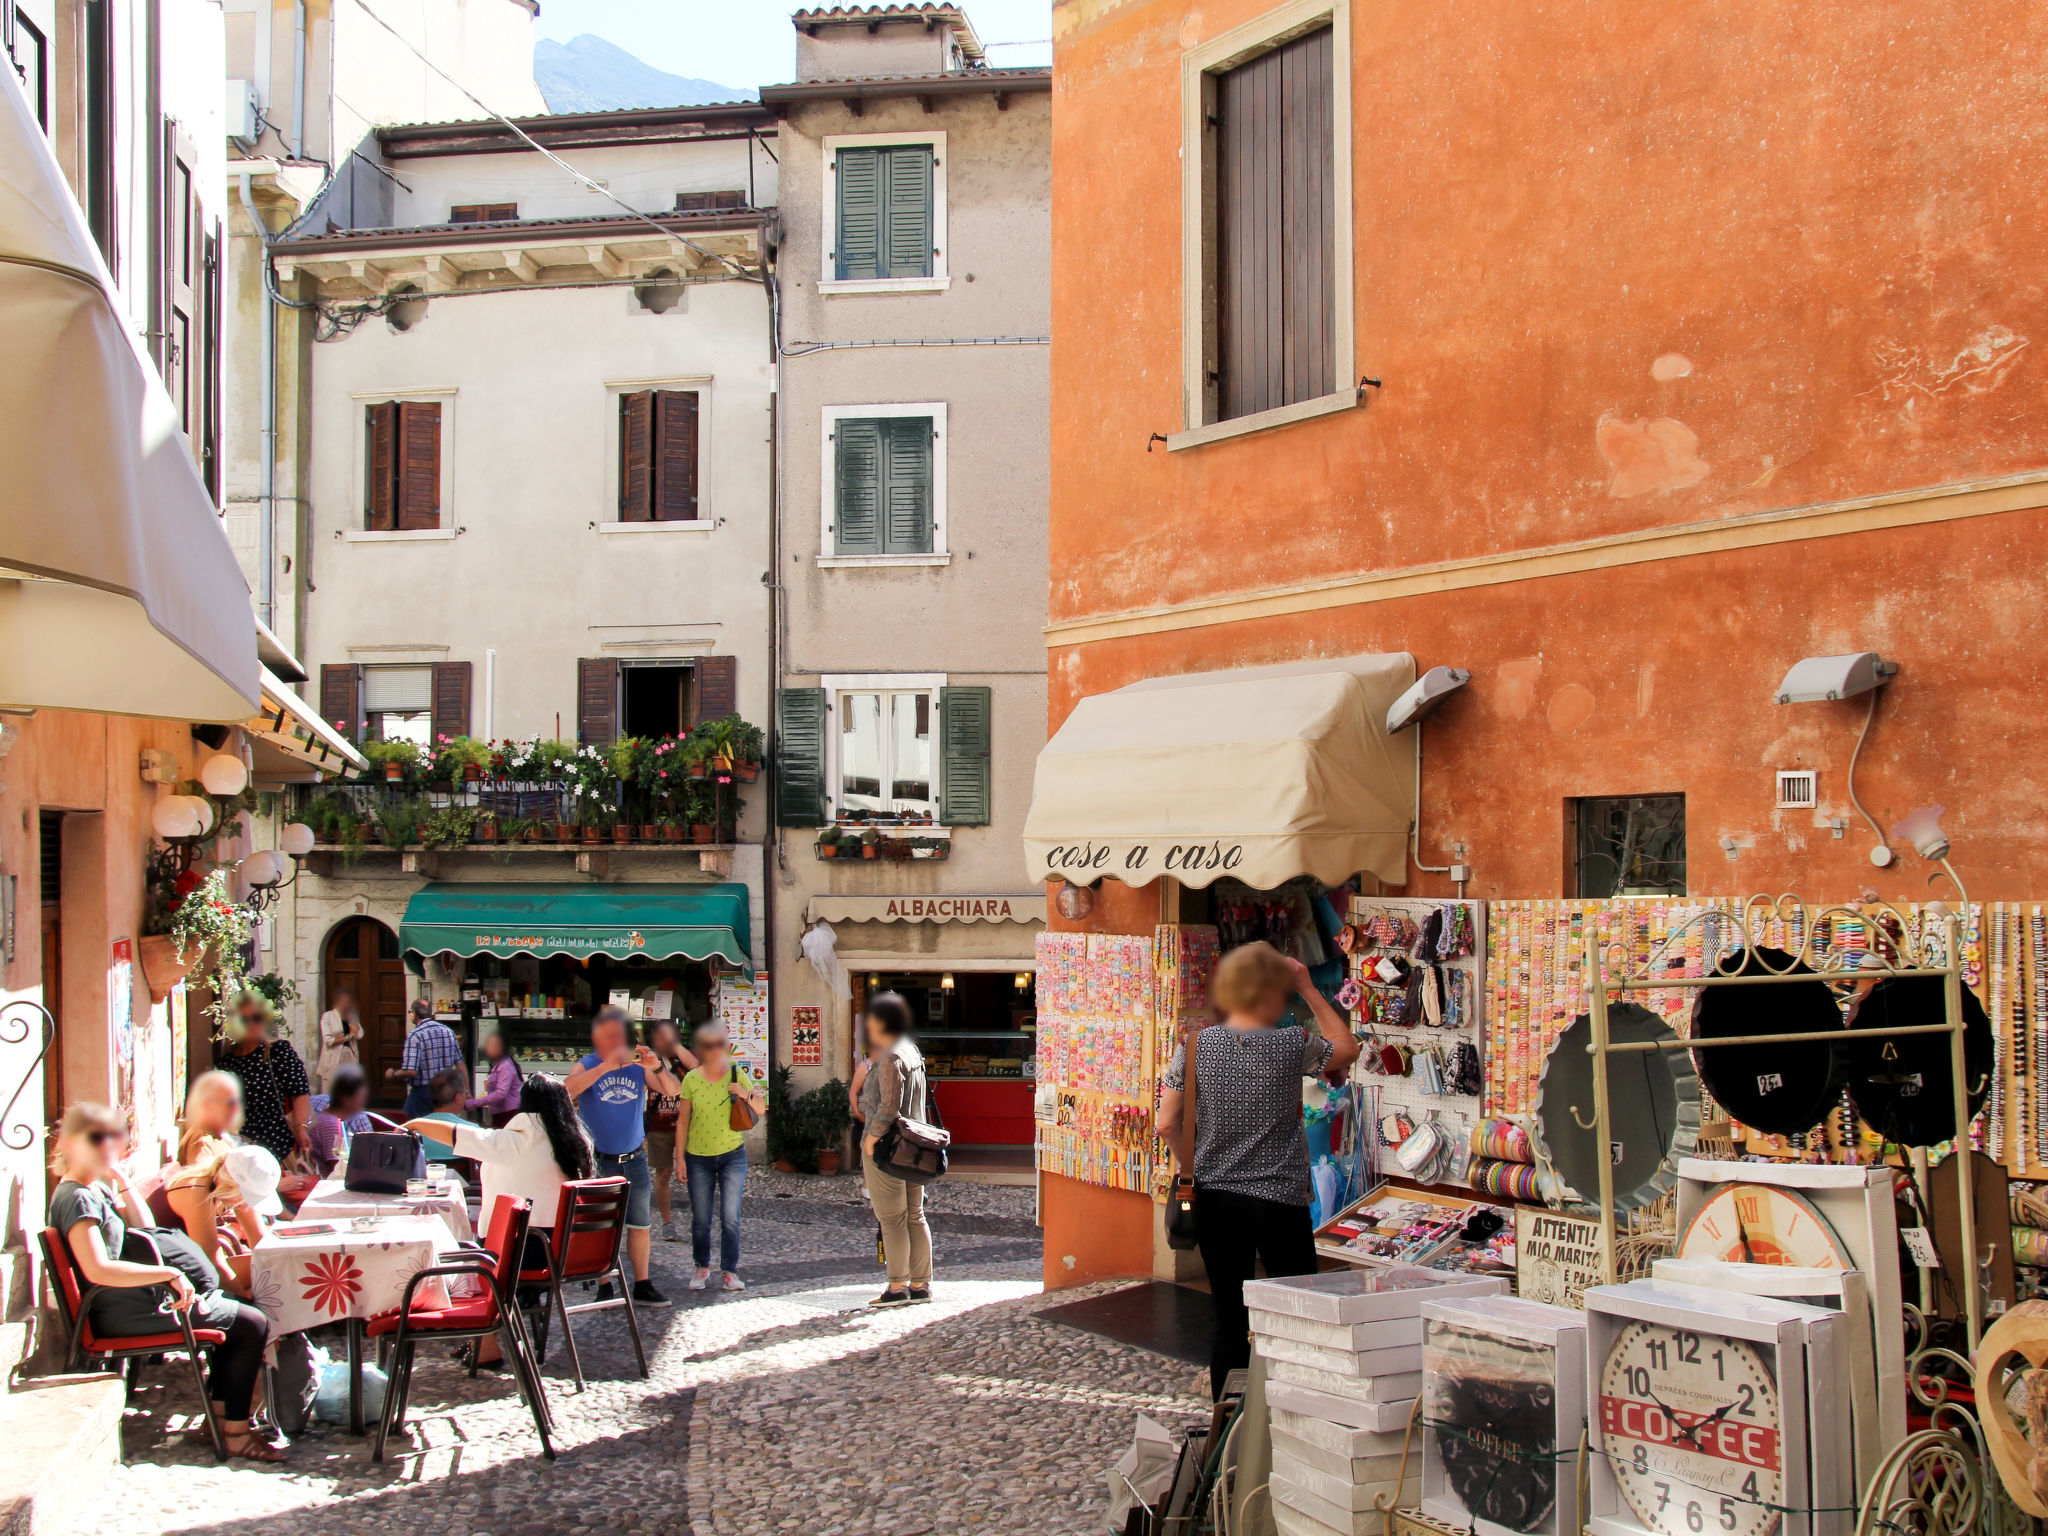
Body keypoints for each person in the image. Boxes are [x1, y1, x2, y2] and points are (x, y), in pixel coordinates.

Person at [1156, 940, 1361, 1399]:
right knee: (1297, 1311)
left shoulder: (1193, 1047)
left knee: (1229, 1316)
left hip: (1215, 1200)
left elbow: (1166, 1121)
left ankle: (1227, 1430)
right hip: (1280, 1200)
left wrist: (1194, 1165)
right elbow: (1346, 1048)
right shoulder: (1292, 1044)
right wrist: (1308, 987)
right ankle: (1295, 1414)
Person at [49, 1103, 280, 1460]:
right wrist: (168, 1274)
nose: (109, 1146)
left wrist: (121, 1180)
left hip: (133, 1299)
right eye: (97, 1138)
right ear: (72, 1143)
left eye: (115, 1137)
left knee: (245, 1315)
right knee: (251, 1322)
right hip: (121, 1309)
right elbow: (97, 1268)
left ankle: (222, 1421)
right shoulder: (77, 1197)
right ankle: (233, 1431)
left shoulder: (94, 1188)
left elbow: (143, 1227)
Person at [404, 1072, 594, 1367]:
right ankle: (484, 1338)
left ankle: (485, 1344)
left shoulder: (511, 1142)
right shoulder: (578, 1144)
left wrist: (413, 1124)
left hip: (520, 1253)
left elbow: (451, 1135)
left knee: (467, 1252)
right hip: (567, 1249)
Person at [564, 1005, 683, 1307]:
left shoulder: (637, 1066)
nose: (614, 1042)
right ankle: (605, 1282)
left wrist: (655, 1066)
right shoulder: (587, 1064)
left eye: (618, 1036)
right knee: (603, 1225)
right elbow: (566, 1091)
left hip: (634, 1158)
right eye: (607, 1037)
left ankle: (642, 1283)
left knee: (640, 1224)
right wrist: (605, 1067)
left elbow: (674, 1090)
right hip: (601, 1160)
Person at [157, 1070, 272, 1295]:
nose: (237, 1109)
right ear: (207, 1104)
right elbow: (210, 1261)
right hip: (190, 1275)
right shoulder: (202, 1147)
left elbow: (257, 1233)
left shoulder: (225, 1150)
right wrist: (248, 1306)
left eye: (238, 1102)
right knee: (272, 1270)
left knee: (277, 1265)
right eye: (230, 1103)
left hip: (214, 1252)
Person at [858, 993, 934, 1309]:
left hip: (889, 1147)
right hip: (914, 1145)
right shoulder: (911, 1051)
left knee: (892, 1219)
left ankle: (897, 1287)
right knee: (914, 1215)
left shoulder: (891, 1056)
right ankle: (920, 1285)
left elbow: (888, 1108)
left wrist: (870, 1140)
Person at [675, 1022, 763, 1292]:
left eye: (719, 1045)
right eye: (709, 1046)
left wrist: (744, 1093)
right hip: (698, 1156)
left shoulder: (736, 1074)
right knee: (701, 1218)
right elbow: (682, 1121)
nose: (715, 1051)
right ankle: (701, 1266)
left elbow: (761, 1107)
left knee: (730, 1217)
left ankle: (730, 1271)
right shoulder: (692, 1079)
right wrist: (680, 1159)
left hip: (732, 1155)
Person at [212, 992, 312, 1167]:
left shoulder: (278, 1051)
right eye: (244, 1020)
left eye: (256, 1018)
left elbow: (300, 1092)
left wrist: (302, 1129)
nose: (251, 1024)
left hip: (277, 1146)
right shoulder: (227, 1062)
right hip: (240, 1148)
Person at [641, 1019, 699, 1243]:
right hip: (659, 1125)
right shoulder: (647, 1061)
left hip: (688, 1125)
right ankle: (667, 1222)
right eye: (662, 1036)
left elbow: (696, 1068)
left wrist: (675, 1047)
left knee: (694, 1174)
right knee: (663, 1174)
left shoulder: (683, 1056)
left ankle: (697, 1221)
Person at [388, 999, 461, 1119]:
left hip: (423, 1093)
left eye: (410, 1011)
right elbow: (460, 1064)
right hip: (445, 1090)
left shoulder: (415, 1036)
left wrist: (393, 1073)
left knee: (412, 1128)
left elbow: (411, 1071)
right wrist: (465, 1091)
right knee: (441, 1126)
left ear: (415, 1015)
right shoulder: (448, 1032)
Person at [308, 1064, 370, 1177]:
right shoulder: (330, 1124)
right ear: (345, 1099)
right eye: (360, 1098)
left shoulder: (331, 1118)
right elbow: (338, 1167)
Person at [413, 1067, 472, 1163]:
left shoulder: (413, 1131)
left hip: (423, 1176)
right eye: (466, 1093)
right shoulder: (473, 1131)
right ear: (457, 1098)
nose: (467, 1097)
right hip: (462, 1177)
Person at [468, 1030, 524, 1128]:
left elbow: (500, 1093)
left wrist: (474, 1103)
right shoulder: (498, 1063)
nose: (488, 1048)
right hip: (501, 1113)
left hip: (508, 1114)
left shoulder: (505, 1065)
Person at [314, 986, 363, 1095]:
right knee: (331, 1091)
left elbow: (359, 1034)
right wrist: (347, 1037)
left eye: (348, 1001)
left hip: (349, 1057)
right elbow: (329, 1040)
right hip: (333, 1059)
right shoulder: (328, 1017)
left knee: (349, 1090)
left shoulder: (352, 1016)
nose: (346, 1004)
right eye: (343, 1001)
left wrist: (352, 1022)